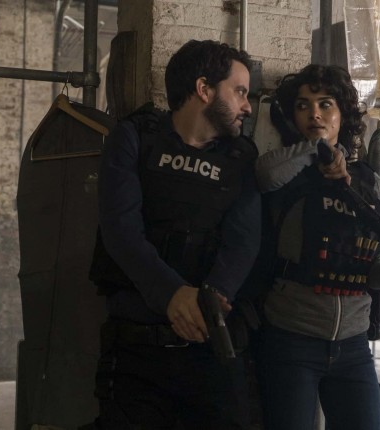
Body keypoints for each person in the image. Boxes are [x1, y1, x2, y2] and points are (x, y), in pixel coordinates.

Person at [88, 39, 261, 429]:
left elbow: (244, 241)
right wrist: (171, 294)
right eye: (239, 92)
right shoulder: (134, 137)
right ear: (204, 89)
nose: (247, 106)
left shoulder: (240, 157)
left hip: (211, 345)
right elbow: (121, 231)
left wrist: (208, 302)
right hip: (138, 349)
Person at [254, 64, 380, 430]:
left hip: (352, 344)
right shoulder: (289, 172)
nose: (314, 114)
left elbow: (377, 266)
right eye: (303, 106)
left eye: (325, 104)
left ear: (343, 113)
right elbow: (264, 175)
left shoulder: (370, 185)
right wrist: (318, 150)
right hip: (292, 338)